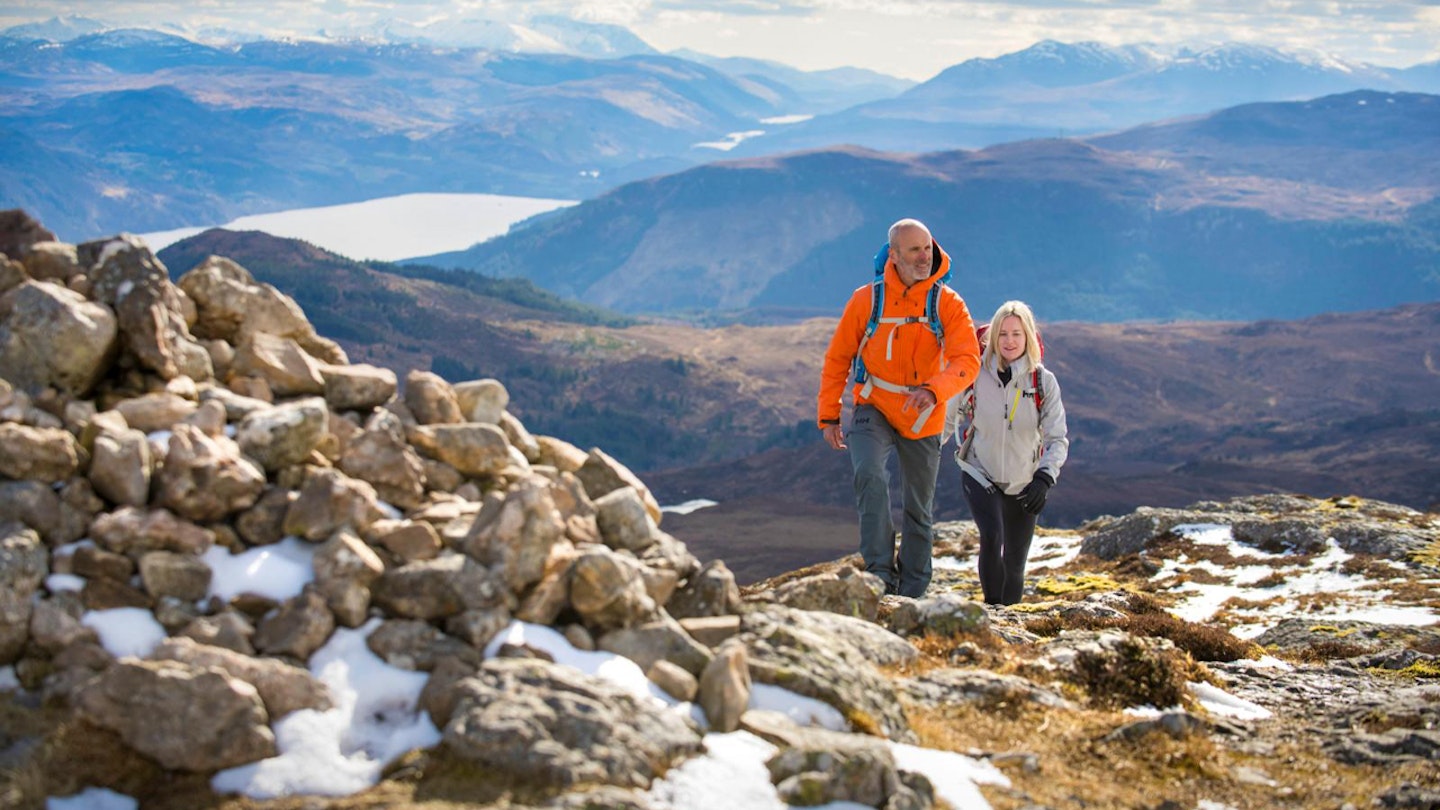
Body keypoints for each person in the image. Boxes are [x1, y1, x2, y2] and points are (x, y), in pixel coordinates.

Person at [818, 218, 981, 597]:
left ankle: (913, 587)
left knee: (918, 504)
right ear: (894, 255)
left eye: (928, 248)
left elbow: (967, 358)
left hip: (924, 411)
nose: (925, 257)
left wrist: (934, 390)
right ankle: (878, 571)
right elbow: (838, 357)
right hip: (873, 403)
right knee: (870, 475)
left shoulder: (947, 303)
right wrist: (828, 415)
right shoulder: (867, 299)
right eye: (914, 250)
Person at [952, 300, 1069, 606]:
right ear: (992, 338)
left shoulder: (1043, 382)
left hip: (1025, 480)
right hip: (980, 471)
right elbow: (946, 415)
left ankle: (1010, 621)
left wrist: (1044, 478)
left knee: (1015, 562)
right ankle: (993, 613)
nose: (1009, 341)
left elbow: (1058, 438)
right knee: (992, 536)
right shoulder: (975, 375)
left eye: (1016, 334)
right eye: (1002, 334)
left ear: (1028, 336)